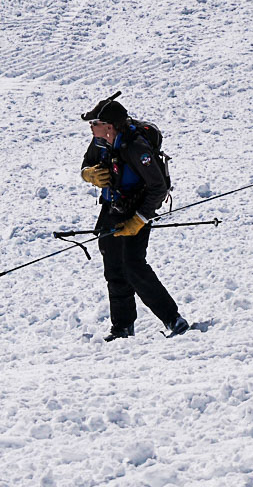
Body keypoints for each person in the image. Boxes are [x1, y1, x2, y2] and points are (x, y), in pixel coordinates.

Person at [80, 98, 189, 341]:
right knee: (113, 267)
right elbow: (86, 163)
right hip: (112, 208)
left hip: (137, 210)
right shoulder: (100, 142)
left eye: (95, 123)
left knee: (133, 265)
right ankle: (122, 327)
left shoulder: (136, 147)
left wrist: (139, 219)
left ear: (109, 126)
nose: (91, 127)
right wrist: (88, 174)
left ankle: (173, 319)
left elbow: (158, 188)